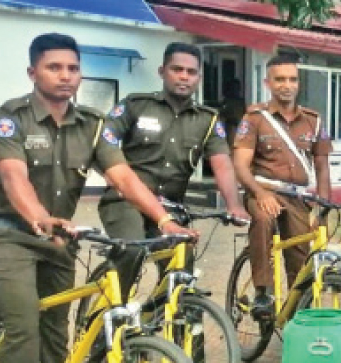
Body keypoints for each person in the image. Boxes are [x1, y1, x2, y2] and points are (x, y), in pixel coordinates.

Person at [0, 33, 193, 363]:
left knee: (58, 335)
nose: (65, 76)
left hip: (58, 240)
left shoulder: (93, 126)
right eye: (53, 67)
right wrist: (39, 218)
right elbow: (13, 177)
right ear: (32, 72)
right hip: (8, 237)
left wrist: (163, 219)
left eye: (72, 68)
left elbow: (123, 177)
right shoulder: (7, 119)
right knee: (25, 328)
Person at [97, 42, 248, 241]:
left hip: (172, 205)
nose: (184, 76)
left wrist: (234, 205)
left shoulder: (207, 119)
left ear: (199, 78)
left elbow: (222, 165)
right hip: (125, 201)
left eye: (191, 72)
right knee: (131, 249)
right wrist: (110, 172)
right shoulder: (136, 105)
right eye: (177, 69)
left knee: (182, 260)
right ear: (162, 72)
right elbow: (104, 140)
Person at [232, 54, 332, 319]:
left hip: (298, 197)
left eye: (292, 79)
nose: (286, 85)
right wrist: (260, 193)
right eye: (279, 80)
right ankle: (262, 293)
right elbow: (241, 164)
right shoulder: (255, 118)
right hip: (263, 190)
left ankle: (298, 315)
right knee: (264, 219)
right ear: (268, 83)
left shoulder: (313, 120)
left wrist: (323, 208)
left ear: (298, 83)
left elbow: (322, 166)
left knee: (301, 256)